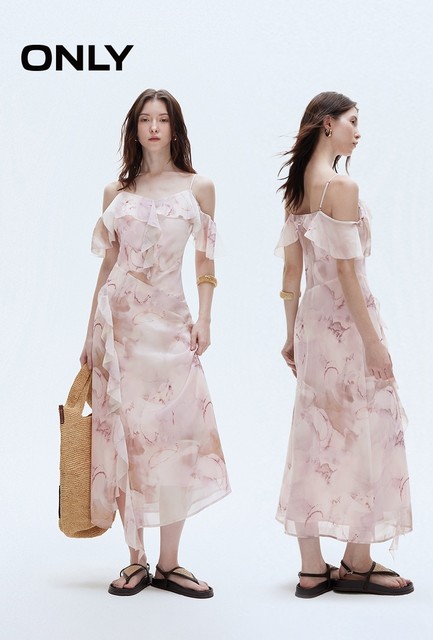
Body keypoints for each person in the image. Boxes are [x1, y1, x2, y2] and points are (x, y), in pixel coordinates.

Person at [80, 88, 230, 597]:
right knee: (127, 439)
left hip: (171, 327)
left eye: (162, 120)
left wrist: (205, 318)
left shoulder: (198, 187)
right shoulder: (116, 192)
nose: (153, 128)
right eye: (145, 119)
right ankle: (135, 559)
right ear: (135, 128)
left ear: (174, 128)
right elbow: (107, 265)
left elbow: (206, 261)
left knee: (174, 441)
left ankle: (170, 562)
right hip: (119, 329)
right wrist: (89, 332)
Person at [275, 91, 413, 597]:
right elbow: (349, 276)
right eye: (353, 121)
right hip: (348, 326)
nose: (359, 131)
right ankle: (357, 562)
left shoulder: (296, 191)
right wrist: (373, 343)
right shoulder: (342, 186)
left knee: (315, 434)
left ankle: (312, 569)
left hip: (313, 326)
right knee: (366, 429)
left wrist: (290, 334)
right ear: (327, 124)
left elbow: (291, 274)